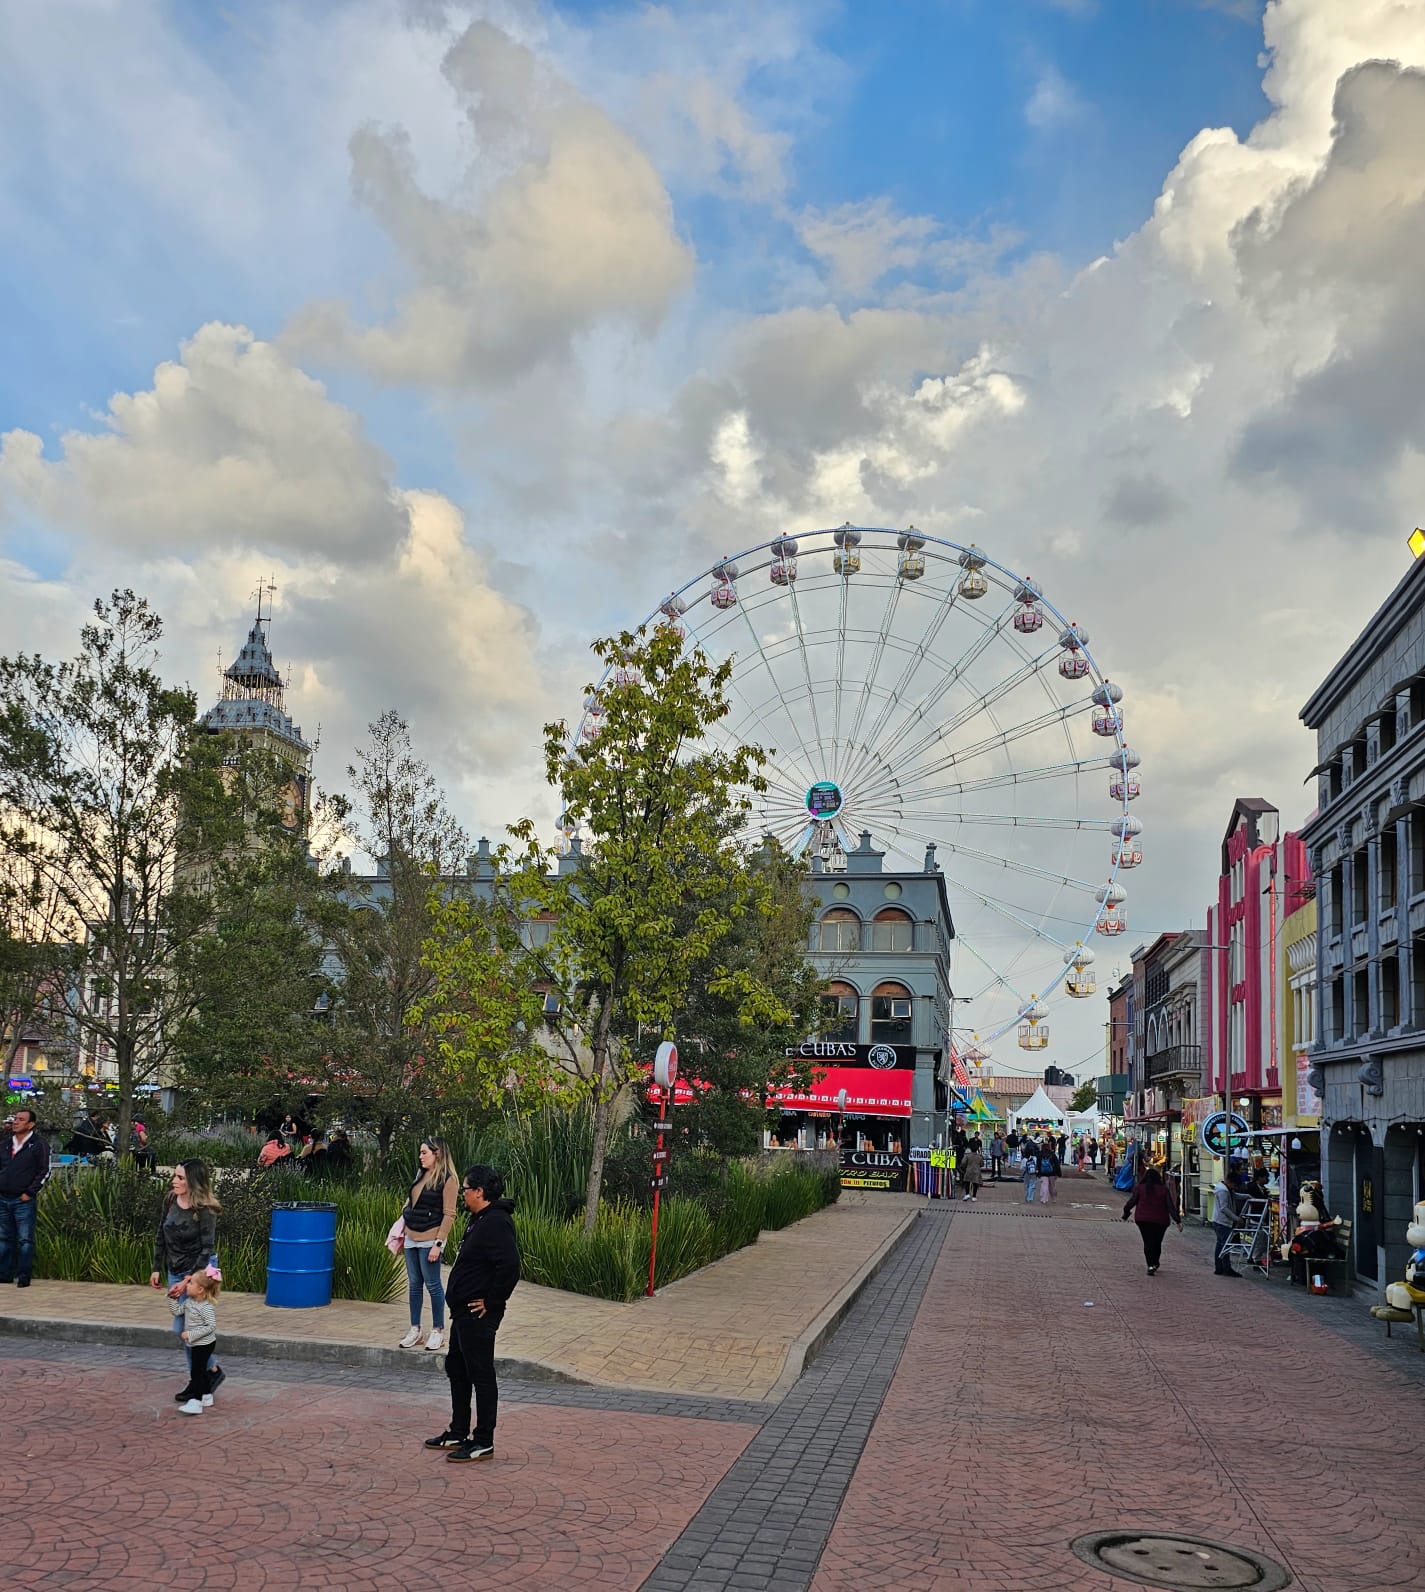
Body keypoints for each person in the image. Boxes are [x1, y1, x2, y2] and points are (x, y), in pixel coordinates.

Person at [425, 1165, 520, 1463]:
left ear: (480, 1191)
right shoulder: (479, 1219)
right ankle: (458, 1431)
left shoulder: (496, 1222)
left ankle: (483, 1440)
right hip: (462, 1312)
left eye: (466, 1189)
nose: (463, 1194)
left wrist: (492, 1302)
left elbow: (510, 1267)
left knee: (481, 1374)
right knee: (458, 1369)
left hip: (478, 1314)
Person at [151, 1161, 225, 1391]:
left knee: (189, 1330)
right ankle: (211, 1370)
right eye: (175, 1176)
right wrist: (156, 1267)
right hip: (175, 1268)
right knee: (180, 1329)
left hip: (199, 1272)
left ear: (193, 1181)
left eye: (181, 1178)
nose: (175, 1181)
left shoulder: (205, 1210)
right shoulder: (170, 1200)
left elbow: (207, 1248)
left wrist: (188, 1280)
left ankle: (197, 1382)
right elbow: (160, 1233)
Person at [398, 1137, 458, 1352]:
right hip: (411, 1236)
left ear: (437, 1153)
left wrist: (438, 1244)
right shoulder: (421, 1174)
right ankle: (415, 1329)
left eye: (424, 1152)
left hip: (430, 1238)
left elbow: (450, 1214)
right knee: (414, 1285)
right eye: (420, 1152)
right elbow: (411, 1202)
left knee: (433, 1285)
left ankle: (438, 1330)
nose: (420, 1156)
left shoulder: (449, 1180)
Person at [0, 1107, 51, 1288]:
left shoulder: (38, 1144)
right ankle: (4, 1274)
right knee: (4, 1238)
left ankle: (23, 1276)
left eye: (21, 1119)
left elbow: (44, 1170)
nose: (16, 1121)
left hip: (23, 1200)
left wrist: (29, 1192)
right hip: (3, 1198)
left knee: (25, 1239)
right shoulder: (5, 1145)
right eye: (15, 1118)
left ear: (30, 1124)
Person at [172, 1264, 222, 1414]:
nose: (187, 1285)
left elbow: (210, 1326)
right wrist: (172, 1298)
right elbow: (176, 1311)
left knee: (197, 1372)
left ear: (200, 1290)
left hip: (204, 1344)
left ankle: (196, 1401)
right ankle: (207, 1395)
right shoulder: (189, 1302)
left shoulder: (206, 1307)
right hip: (195, 1343)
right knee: (201, 1369)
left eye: (191, 1283)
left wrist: (191, 1334)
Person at [1122, 1165, 1182, 1275]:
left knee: (1147, 1242)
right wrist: (1178, 1220)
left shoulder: (1140, 1188)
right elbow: (1170, 1206)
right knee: (1157, 1242)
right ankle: (1155, 1262)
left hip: (1143, 1219)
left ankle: (1150, 1264)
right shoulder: (1163, 1190)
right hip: (1160, 1221)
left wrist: (1126, 1213)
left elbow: (1132, 1202)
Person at [1211, 1168, 1245, 1277]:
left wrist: (1246, 1196)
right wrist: (1236, 1218)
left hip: (1219, 1221)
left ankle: (1219, 1267)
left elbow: (1234, 1196)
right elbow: (1224, 1208)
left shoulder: (1225, 1189)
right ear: (1230, 1182)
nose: (1235, 1188)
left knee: (1220, 1244)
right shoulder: (1223, 1191)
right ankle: (1225, 1268)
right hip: (1222, 1222)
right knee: (1224, 1245)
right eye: (1235, 1186)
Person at [1037, 1138, 1061, 1204]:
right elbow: (1057, 1164)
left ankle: (1044, 1199)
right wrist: (1058, 1173)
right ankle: (1053, 1199)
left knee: (1044, 1185)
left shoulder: (1040, 1154)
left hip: (1043, 1172)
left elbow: (1038, 1164)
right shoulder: (1052, 1154)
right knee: (1052, 1186)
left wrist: (1038, 1173)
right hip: (1052, 1173)